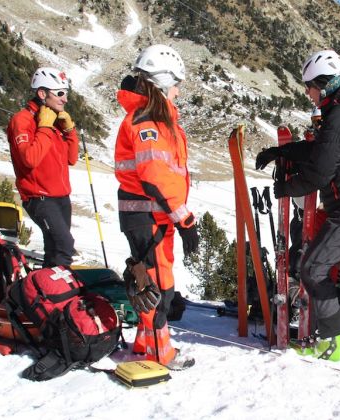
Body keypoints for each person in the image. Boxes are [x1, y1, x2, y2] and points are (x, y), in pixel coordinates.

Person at [256, 50, 340, 361]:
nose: (307, 93)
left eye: (309, 87)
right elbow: (324, 150)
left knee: (312, 268)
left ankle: (332, 342)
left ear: (323, 84)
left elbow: (318, 173)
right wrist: (282, 154)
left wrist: (284, 188)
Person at [115, 44, 199, 370]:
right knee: (155, 285)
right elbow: (154, 178)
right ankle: (159, 353)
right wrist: (184, 219)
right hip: (146, 213)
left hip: (154, 215)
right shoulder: (148, 122)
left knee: (152, 279)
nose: (178, 91)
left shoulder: (159, 119)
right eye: (176, 84)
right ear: (163, 83)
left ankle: (143, 343)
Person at [7, 67, 78, 268]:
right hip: (40, 198)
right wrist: (45, 127)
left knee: (55, 249)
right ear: (42, 93)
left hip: (61, 197)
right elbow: (29, 158)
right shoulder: (22, 120)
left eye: (66, 93)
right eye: (60, 93)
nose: (65, 99)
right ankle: (59, 293)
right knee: (65, 245)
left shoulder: (53, 119)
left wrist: (70, 131)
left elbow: (71, 158)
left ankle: (49, 294)